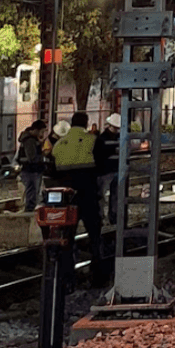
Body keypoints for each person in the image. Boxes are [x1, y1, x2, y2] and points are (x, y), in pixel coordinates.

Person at [53, 112, 106, 286]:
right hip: (88, 195)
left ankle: (67, 278)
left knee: (67, 237)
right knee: (95, 236)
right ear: (86, 124)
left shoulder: (60, 144)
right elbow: (102, 165)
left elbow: (52, 169)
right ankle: (98, 276)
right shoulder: (92, 141)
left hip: (67, 199)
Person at [94, 113, 122, 225]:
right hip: (106, 171)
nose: (116, 130)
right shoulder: (103, 139)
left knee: (109, 196)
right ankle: (105, 217)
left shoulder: (103, 138)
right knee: (105, 196)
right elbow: (99, 154)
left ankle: (110, 217)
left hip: (109, 170)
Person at [16, 120, 47, 211]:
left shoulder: (31, 139)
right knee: (32, 191)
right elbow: (32, 157)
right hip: (31, 170)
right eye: (42, 131)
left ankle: (30, 208)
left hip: (30, 170)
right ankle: (29, 210)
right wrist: (43, 155)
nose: (42, 134)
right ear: (36, 130)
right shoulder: (30, 140)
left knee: (32, 191)